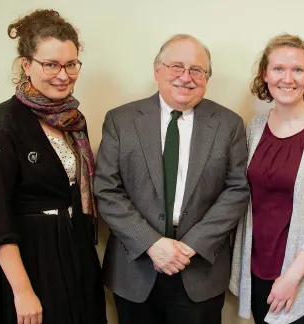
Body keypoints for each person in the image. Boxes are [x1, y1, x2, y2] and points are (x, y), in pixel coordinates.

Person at [93, 34, 250, 324]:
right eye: (176, 66)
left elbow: (237, 190)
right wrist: (152, 243)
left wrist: (192, 245)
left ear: (207, 77)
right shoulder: (121, 120)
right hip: (135, 269)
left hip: (199, 269)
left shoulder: (229, 124)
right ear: (157, 70)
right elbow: (106, 190)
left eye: (197, 70)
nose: (185, 77)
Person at [0, 9, 106, 324]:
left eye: (71, 64)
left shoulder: (72, 120)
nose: (63, 75)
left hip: (75, 250)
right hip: (31, 261)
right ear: (26, 64)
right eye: (50, 64)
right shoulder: (3, 125)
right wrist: (22, 291)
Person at [229, 34, 304, 324]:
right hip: (256, 265)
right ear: (265, 75)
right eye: (278, 68)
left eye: (297, 69)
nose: (288, 78)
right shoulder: (253, 128)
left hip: (302, 272)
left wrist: (292, 277)